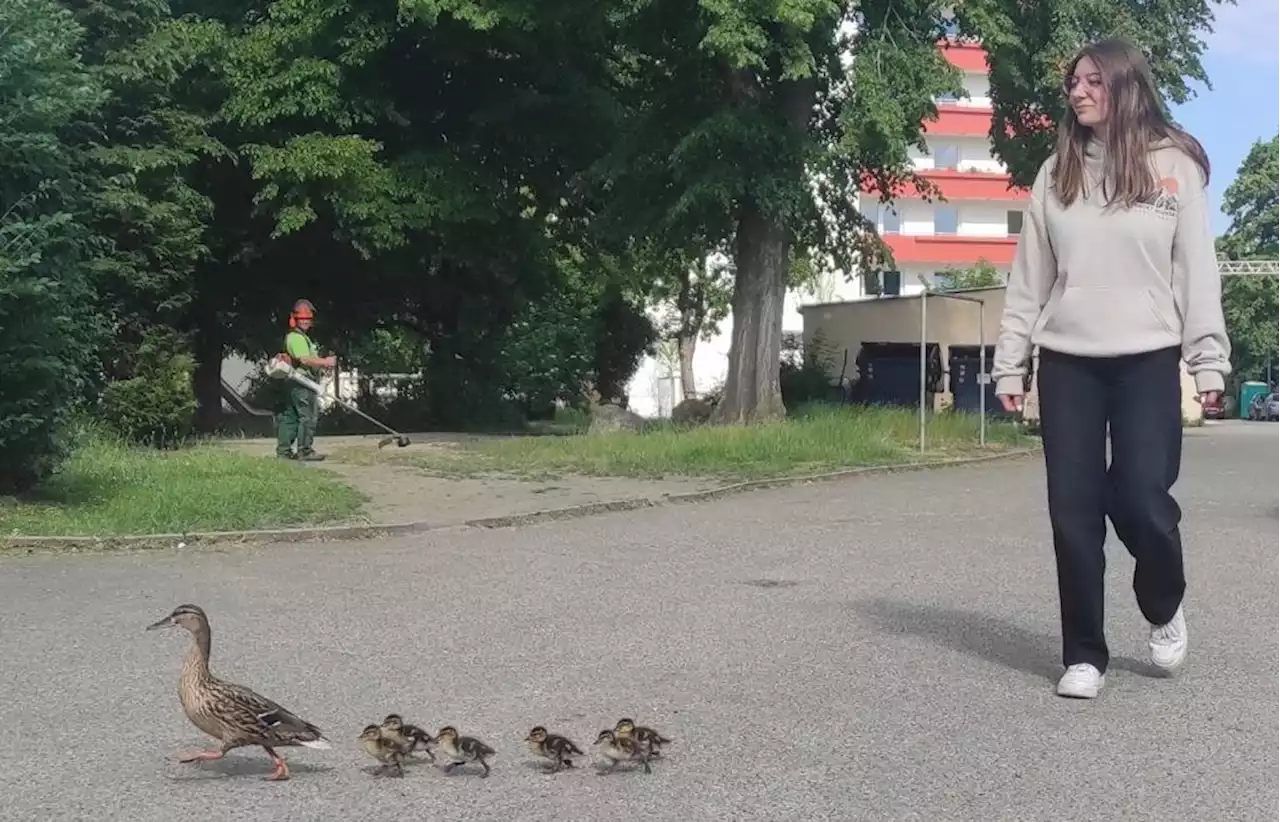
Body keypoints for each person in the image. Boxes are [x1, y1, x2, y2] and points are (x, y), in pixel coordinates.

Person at [990, 38, 1230, 699]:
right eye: (1073, 81)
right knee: (1073, 513)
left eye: (1092, 80)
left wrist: (1208, 362)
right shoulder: (1056, 172)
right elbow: (1029, 279)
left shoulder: (1173, 168)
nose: (1077, 90)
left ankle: (1163, 600)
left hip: (1148, 358)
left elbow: (1196, 274)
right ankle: (1084, 655)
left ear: (1124, 86)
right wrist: (1011, 364)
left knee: (1142, 500)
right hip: (1067, 361)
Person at [275, 299, 337, 461]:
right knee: (308, 416)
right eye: (302, 319)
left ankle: (284, 452)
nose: (305, 322)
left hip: (294, 382)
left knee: (291, 417)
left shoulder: (300, 337)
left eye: (307, 319)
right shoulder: (296, 338)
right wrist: (327, 362)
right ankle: (305, 450)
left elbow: (310, 359)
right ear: (294, 319)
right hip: (302, 382)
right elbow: (304, 360)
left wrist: (321, 365)